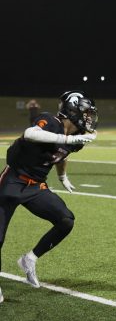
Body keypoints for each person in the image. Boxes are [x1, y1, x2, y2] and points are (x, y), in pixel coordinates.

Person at [0, 91, 98, 303]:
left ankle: (29, 259)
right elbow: (30, 133)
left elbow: (62, 154)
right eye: (86, 113)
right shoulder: (51, 122)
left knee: (65, 220)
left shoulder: (75, 138)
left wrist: (63, 176)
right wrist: (67, 137)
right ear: (72, 111)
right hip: (12, 182)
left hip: (36, 187)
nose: (89, 118)